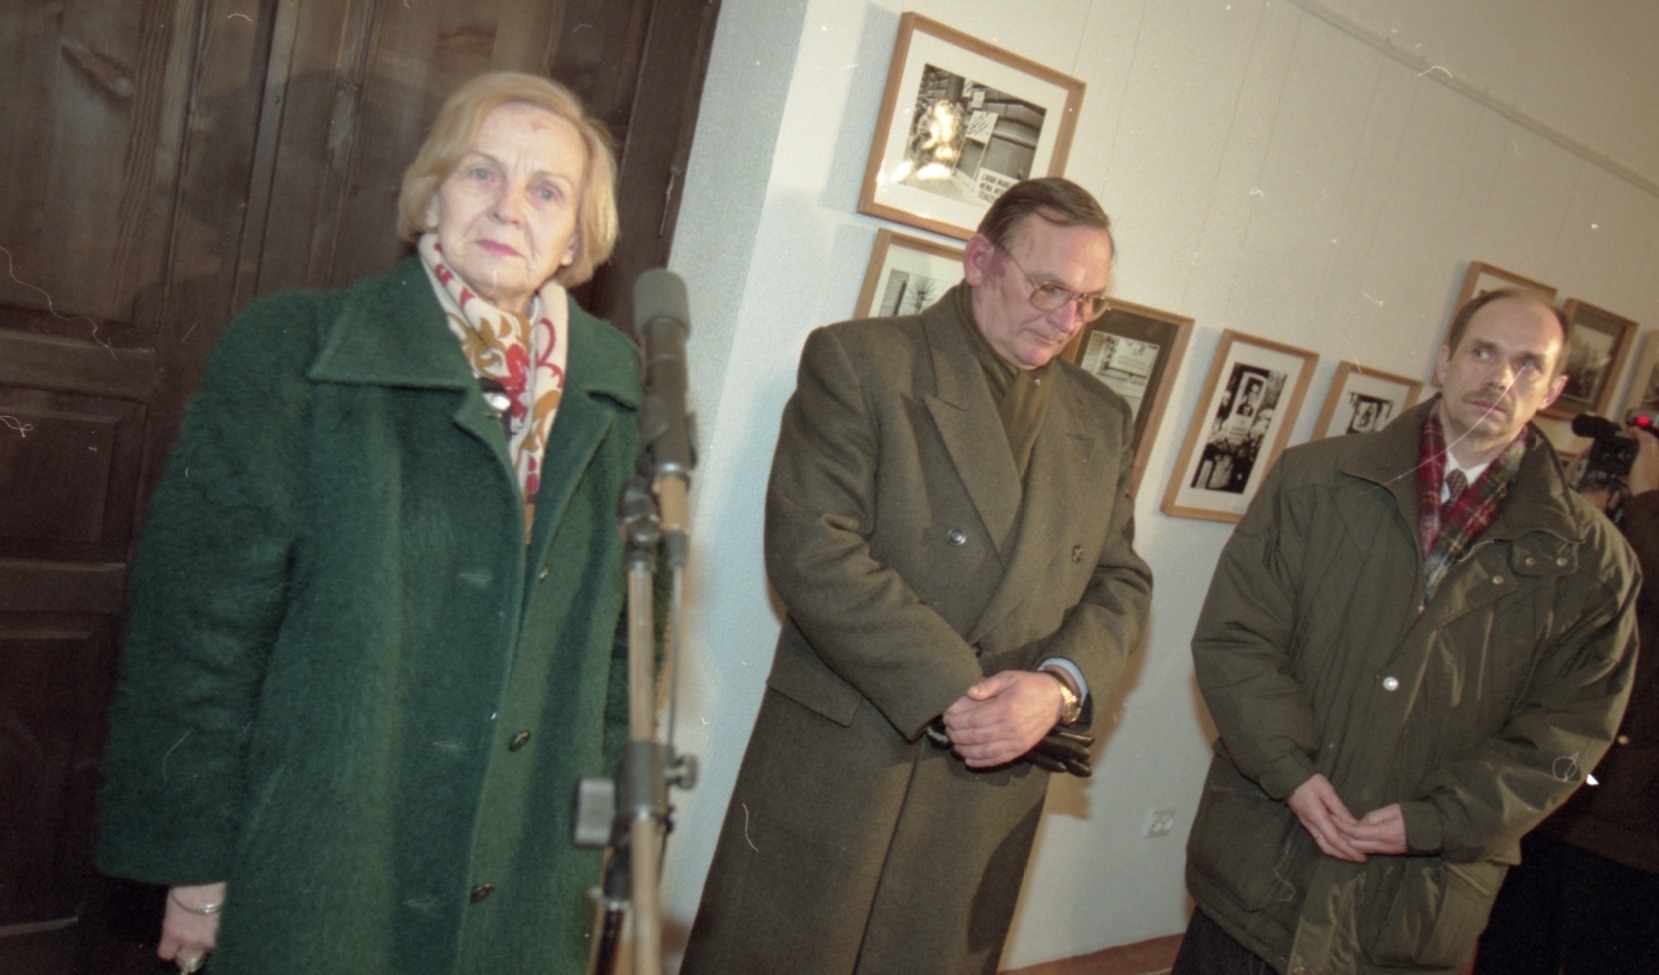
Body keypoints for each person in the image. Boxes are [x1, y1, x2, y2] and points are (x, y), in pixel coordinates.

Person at [97, 72, 640, 975]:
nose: (509, 207)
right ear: (430, 195)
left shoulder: (617, 393)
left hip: (519, 881)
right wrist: (194, 867)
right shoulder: (297, 350)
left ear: (578, 235)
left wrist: (591, 852)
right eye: (480, 173)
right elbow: (195, 636)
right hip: (322, 865)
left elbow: (625, 663)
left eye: (547, 190)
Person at [680, 178, 1153, 975]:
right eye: (1048, 288)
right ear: (979, 260)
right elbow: (812, 547)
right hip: (855, 749)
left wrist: (1057, 689)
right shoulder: (863, 360)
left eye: (1089, 302)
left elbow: (1120, 581)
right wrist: (954, 689)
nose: (1067, 320)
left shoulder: (1100, 416)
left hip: (996, 771)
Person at [1174, 287, 1640, 975]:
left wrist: (1436, 820)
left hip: (1407, 907)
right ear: (1445, 359)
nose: (1499, 378)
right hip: (1260, 867)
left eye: (1527, 365)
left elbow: (1566, 738)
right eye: (1483, 352)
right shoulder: (1314, 481)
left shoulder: (1594, 566)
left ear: (1552, 392)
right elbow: (1236, 639)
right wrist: (1290, 771)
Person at [1472, 423, 1659, 974]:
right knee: (1509, 951)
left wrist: (1648, 499)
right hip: (1556, 795)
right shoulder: (1634, 521)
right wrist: (1582, 511)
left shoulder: (1648, 516)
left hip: (1631, 836)